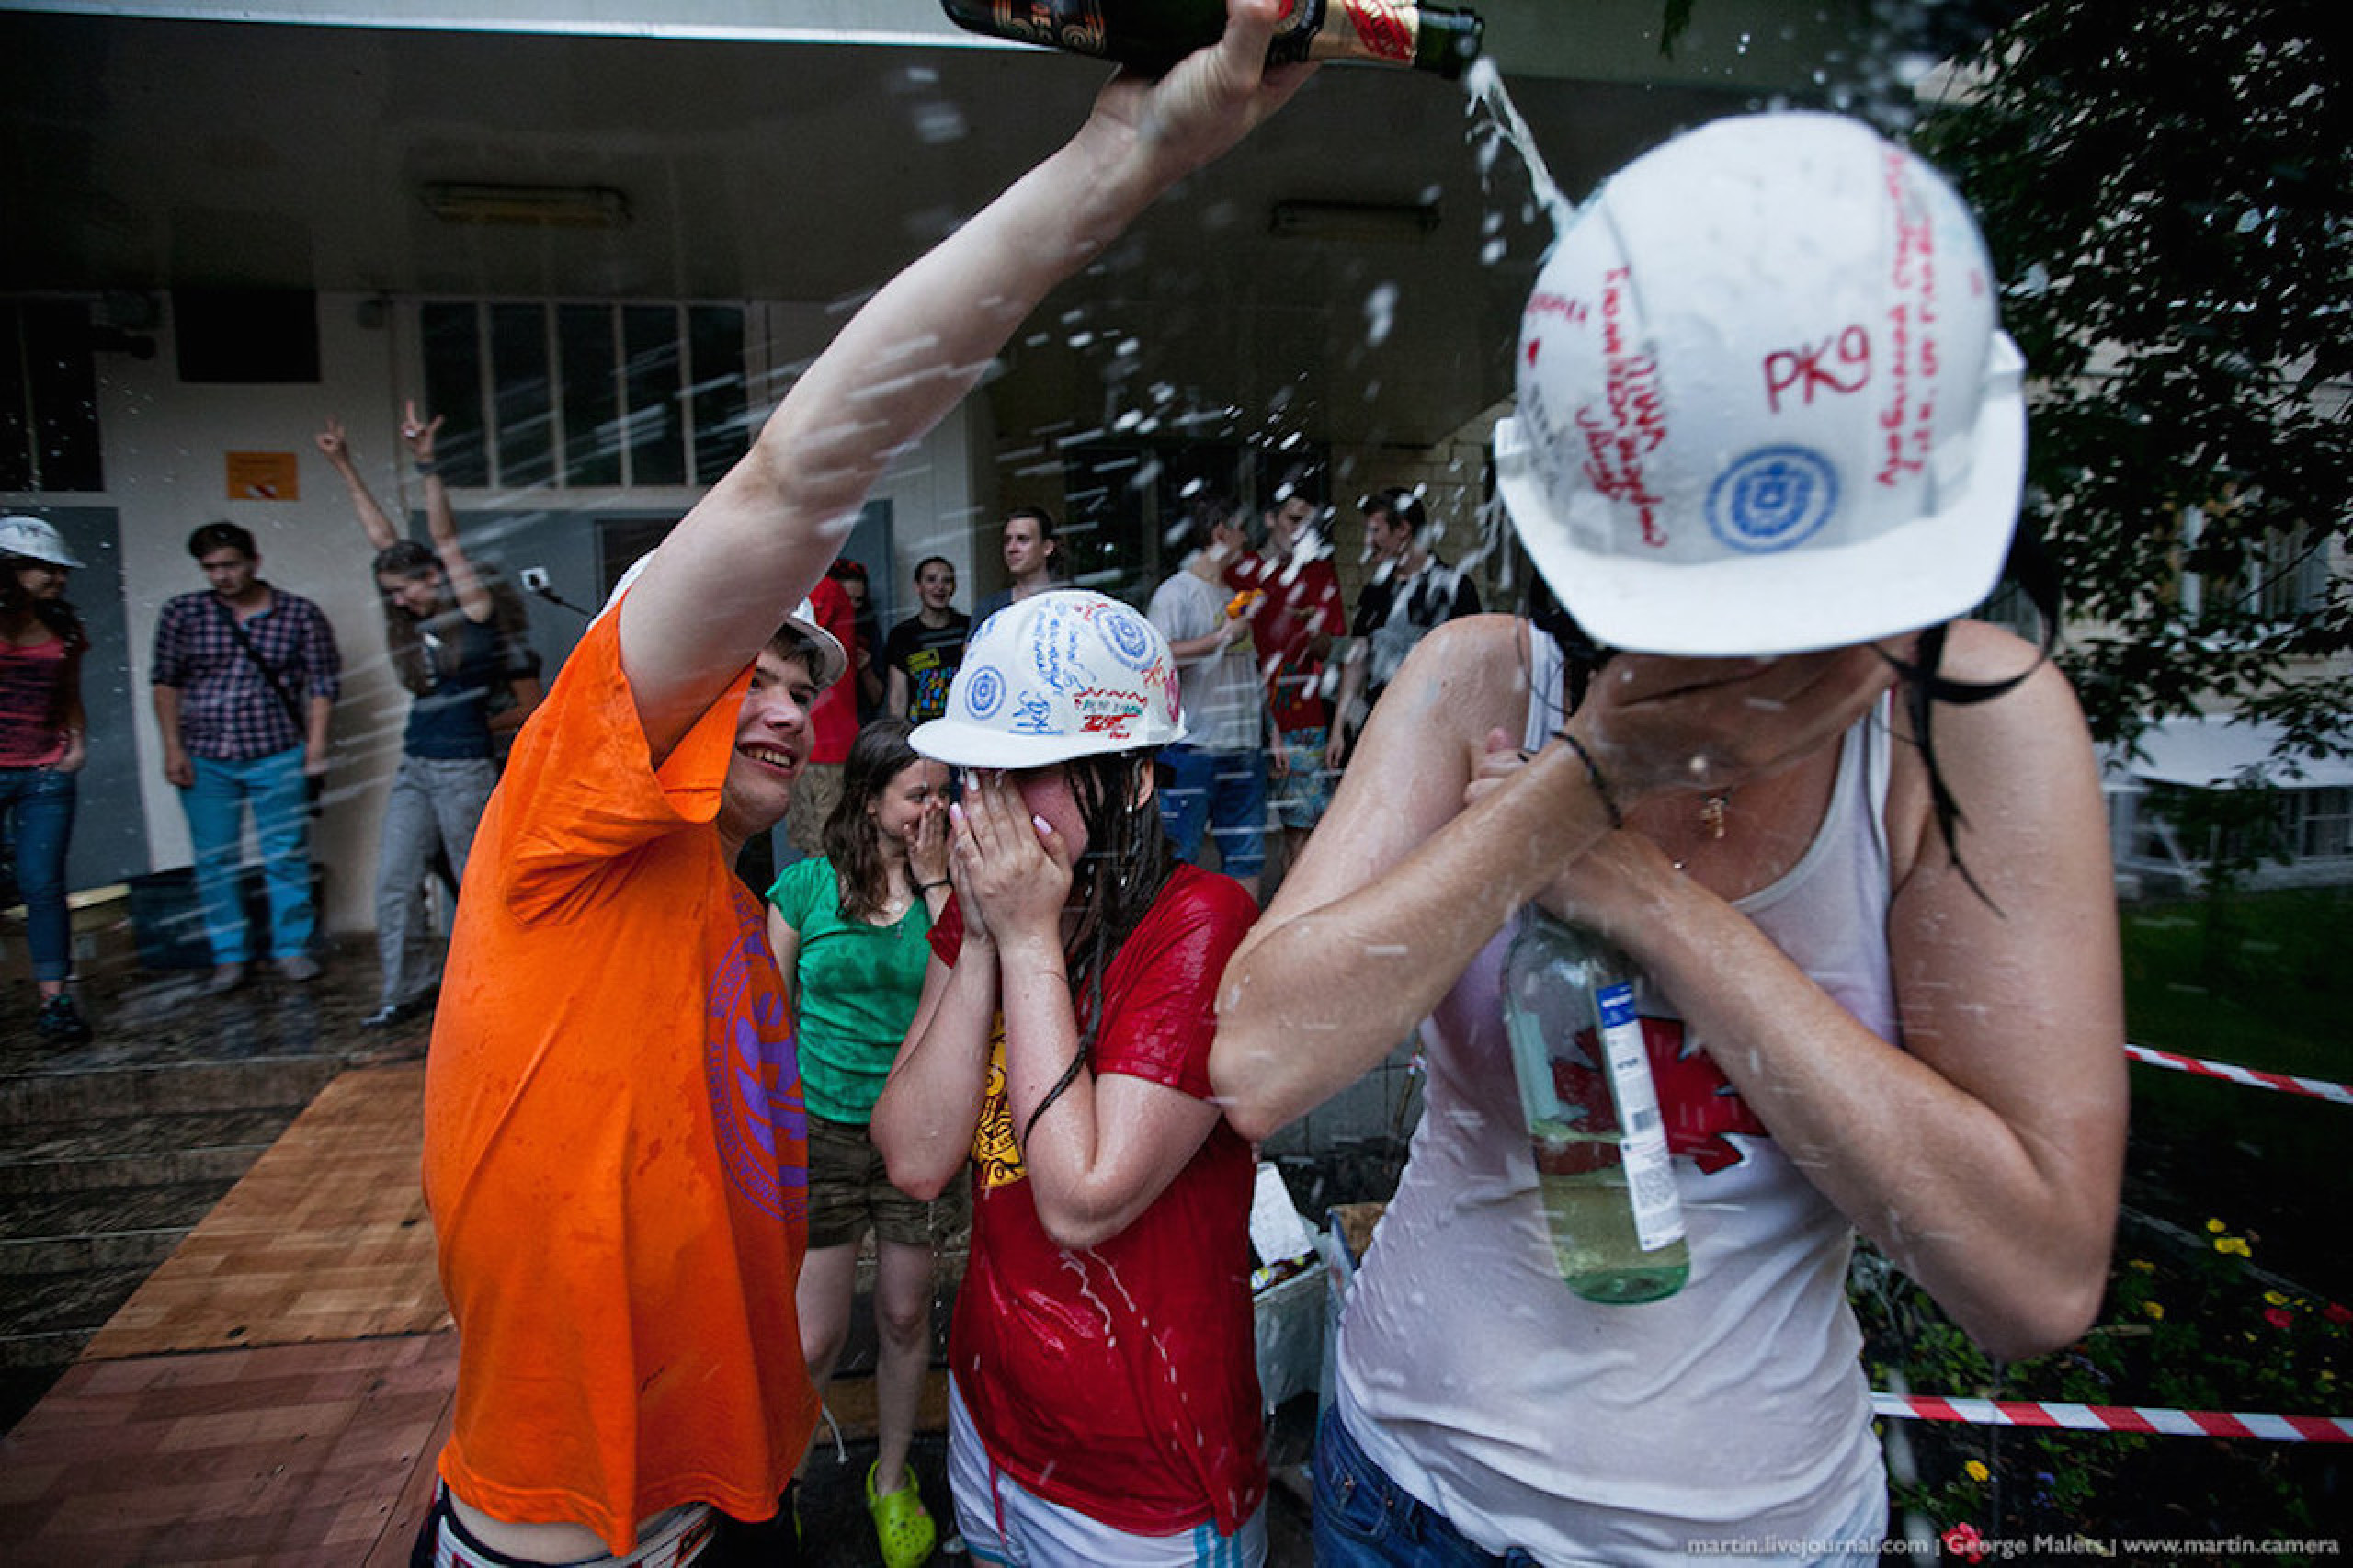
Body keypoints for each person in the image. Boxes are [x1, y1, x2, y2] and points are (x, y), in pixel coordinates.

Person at [415, 9, 1305, 1564]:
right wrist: (1123, 161)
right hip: (572, 1534)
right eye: (747, 668)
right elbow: (791, 479)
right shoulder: (565, 820)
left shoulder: (726, 902)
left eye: (806, 677)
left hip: (741, 1504)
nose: (783, 702)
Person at [1211, 112, 2128, 1565]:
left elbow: (2033, 1276)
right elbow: (1257, 1060)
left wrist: (1650, 901)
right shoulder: (1488, 678)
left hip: (1763, 1528)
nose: (1783, 663)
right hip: (1410, 1489)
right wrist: (1585, 777)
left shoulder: (1969, 724)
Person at [870, 589, 1270, 1566]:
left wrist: (1023, 938)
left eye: (1027, 773)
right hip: (992, 1420)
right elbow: (917, 1158)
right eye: (978, 774)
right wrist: (982, 942)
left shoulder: (1201, 923)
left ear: (1129, 781)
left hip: (1143, 1483)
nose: (989, 809)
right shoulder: (996, 915)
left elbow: (1083, 1197)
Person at [763, 718, 961, 1568]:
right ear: (871, 799)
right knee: (812, 1339)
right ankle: (786, 1488)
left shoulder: (952, 894)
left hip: (917, 1134)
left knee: (906, 1311)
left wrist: (939, 885)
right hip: (823, 1129)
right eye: (918, 793)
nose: (934, 808)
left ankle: (890, 1481)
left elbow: (969, 987)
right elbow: (765, 1021)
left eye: (944, 794)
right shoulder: (805, 889)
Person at [316, 404, 543, 1028]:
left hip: (464, 768)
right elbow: (383, 538)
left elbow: (441, 539)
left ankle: (499, 986)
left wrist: (426, 463)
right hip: (416, 764)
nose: (401, 600)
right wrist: (343, 466)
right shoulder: (409, 608)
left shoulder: (468, 611)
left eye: (408, 588)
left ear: (436, 579)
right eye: (392, 593)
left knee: (476, 890)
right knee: (394, 882)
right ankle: (406, 990)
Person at [150, 519, 341, 993]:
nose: (221, 576)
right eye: (211, 567)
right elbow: (165, 682)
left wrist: (315, 749)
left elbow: (322, 684)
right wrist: (172, 747)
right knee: (215, 858)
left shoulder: (298, 614)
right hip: (207, 754)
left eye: (231, 565)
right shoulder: (183, 614)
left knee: (286, 852)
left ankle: (292, 948)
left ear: (254, 562)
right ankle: (229, 956)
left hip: (276, 750)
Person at [1147, 494, 1270, 899]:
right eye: (1240, 530)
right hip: (1192, 744)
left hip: (1244, 745)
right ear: (1220, 533)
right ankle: (1178, 951)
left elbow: (1249, 673)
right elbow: (1156, 659)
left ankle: (1242, 947)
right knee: (1180, 856)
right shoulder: (1176, 593)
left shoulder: (1235, 597)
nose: (1247, 538)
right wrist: (1219, 638)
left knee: (1247, 856)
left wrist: (1273, 735)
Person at [0, 516, 94, 1045]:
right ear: (11, 570)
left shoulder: (65, 628)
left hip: (43, 770)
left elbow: (70, 691)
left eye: (61, 570)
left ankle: (54, 999)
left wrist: (76, 742)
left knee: (44, 885)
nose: (59, 578)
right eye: (47, 569)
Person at [1226, 491, 1344, 885]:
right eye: (1293, 519)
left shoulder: (1320, 574)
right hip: (1240, 723)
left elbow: (1332, 649)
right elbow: (1229, 643)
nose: (1300, 530)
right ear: (1271, 518)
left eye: (1308, 523)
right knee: (1240, 837)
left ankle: (1292, 928)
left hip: (1303, 719)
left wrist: (1314, 630)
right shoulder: (1241, 571)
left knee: (1302, 834)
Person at [1324, 486, 1480, 774]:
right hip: (1379, 724)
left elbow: (1472, 667)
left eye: (1375, 531)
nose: (1368, 541)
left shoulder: (1453, 587)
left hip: (1435, 729)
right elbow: (1356, 661)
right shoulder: (1375, 591)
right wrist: (1338, 729)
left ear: (1403, 530)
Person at [785, 569, 863, 858]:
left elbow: (796, 635)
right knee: (810, 842)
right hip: (811, 741)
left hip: (829, 744)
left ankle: (825, 903)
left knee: (827, 846)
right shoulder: (810, 586)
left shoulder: (823, 589)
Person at [883, 555, 969, 723]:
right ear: (918, 587)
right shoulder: (902, 635)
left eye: (947, 581)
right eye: (931, 580)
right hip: (919, 732)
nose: (940, 587)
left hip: (961, 728)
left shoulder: (969, 628)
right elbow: (898, 696)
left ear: (954, 587)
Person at [970, 506, 1064, 624]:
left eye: (1023, 539)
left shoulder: (1068, 602)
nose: (1012, 548)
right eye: (1007, 540)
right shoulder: (988, 609)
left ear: (1047, 547)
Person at [828, 557, 889, 723]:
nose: (852, 606)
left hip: (858, 721)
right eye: (846, 599)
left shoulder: (868, 629)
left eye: (858, 600)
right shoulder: (818, 631)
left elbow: (877, 698)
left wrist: (865, 668)